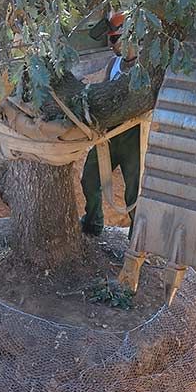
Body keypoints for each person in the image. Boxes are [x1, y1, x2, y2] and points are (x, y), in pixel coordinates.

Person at [79, 13, 141, 237]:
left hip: (134, 137)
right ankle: (93, 223)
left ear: (130, 36)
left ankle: (136, 241)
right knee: (90, 179)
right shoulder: (112, 65)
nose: (110, 44)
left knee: (134, 192)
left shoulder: (144, 68)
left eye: (115, 39)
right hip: (108, 134)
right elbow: (104, 95)